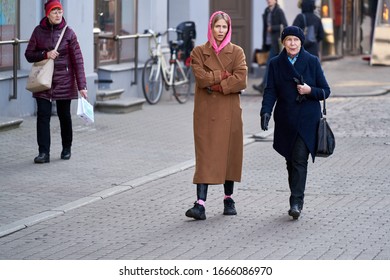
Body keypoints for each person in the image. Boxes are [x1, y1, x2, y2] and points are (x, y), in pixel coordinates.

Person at [260, 26, 331, 220]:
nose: (292, 43)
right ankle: (296, 197)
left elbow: (325, 90)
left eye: (296, 40)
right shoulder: (275, 63)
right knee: (290, 161)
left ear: (301, 42)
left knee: (300, 159)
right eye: (289, 40)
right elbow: (270, 90)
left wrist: (310, 91)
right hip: (286, 120)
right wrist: (266, 111)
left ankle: (296, 201)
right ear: (283, 42)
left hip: (307, 120)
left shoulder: (312, 61)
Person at [185, 11, 247, 220]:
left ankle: (228, 198)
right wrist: (222, 75)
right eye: (217, 27)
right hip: (206, 113)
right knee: (205, 156)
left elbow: (241, 80)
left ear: (228, 30)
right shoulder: (199, 52)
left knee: (228, 155)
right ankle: (200, 204)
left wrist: (219, 87)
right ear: (211, 28)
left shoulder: (237, 52)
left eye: (224, 28)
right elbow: (201, 79)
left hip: (229, 111)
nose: (220, 31)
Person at [25, 0, 88, 164]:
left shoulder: (69, 34)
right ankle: (43, 153)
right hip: (43, 81)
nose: (58, 15)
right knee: (43, 116)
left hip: (64, 81)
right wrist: (45, 54)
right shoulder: (38, 32)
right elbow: (29, 54)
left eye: (60, 11)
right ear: (47, 14)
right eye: (55, 12)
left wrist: (82, 86)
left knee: (64, 116)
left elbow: (78, 62)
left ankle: (66, 147)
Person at [253, 0, 288, 94]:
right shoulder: (266, 11)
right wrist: (263, 43)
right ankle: (275, 87)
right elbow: (264, 29)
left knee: (269, 64)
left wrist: (273, 28)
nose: (269, 0)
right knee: (272, 65)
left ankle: (263, 86)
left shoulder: (279, 11)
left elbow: (285, 25)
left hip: (275, 43)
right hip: (267, 42)